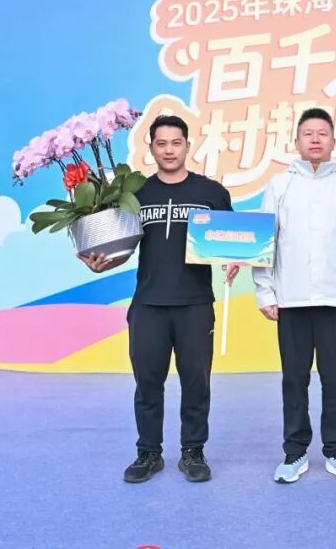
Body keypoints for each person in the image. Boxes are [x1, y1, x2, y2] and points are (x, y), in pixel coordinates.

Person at [79, 114, 238, 484]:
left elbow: (231, 241)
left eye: (176, 143)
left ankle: (192, 451)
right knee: (147, 384)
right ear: (150, 148)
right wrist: (102, 262)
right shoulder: (135, 195)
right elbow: (122, 248)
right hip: (148, 304)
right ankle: (148, 453)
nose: (169, 150)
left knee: (196, 383)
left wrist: (235, 260)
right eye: (161, 143)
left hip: (195, 304)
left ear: (187, 146)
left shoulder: (211, 193)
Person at [252, 107, 336, 484]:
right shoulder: (279, 185)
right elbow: (266, 241)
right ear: (297, 141)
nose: (316, 139)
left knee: (335, 379)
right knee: (294, 379)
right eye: (308, 133)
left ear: (334, 141)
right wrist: (265, 291)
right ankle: (295, 452)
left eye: (323, 133)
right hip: (291, 299)